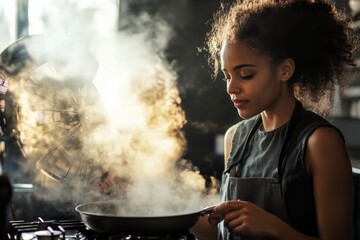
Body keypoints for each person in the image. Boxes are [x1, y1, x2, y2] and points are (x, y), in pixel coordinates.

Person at [190, 0, 357, 239]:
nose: (231, 88)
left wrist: (274, 228)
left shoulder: (320, 142)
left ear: (285, 70)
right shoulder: (234, 138)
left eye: (246, 74)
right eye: (227, 76)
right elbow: (222, 233)